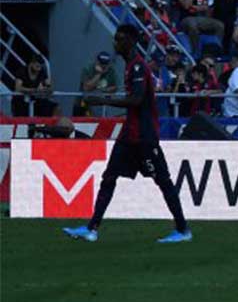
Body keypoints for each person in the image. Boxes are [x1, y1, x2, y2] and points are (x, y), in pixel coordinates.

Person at [63, 25, 191, 244]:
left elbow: (136, 100)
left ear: (131, 41)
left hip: (143, 136)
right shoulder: (130, 66)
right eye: (115, 39)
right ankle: (92, 228)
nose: (115, 43)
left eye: (120, 39)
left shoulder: (139, 67)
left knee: (163, 180)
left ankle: (182, 229)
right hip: (129, 134)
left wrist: (102, 100)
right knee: (109, 177)